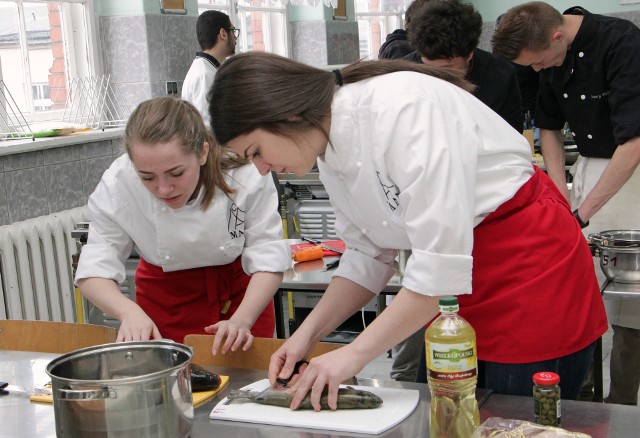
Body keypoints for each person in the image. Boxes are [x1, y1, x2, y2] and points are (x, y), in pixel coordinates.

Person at [208, 52, 607, 410]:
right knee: (446, 413)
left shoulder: (402, 109)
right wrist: (306, 337)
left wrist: (353, 355)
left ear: (287, 114)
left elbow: (436, 272)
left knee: (513, 418)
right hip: (452, 294)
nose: (261, 169)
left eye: (256, 152)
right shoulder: (326, 146)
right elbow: (367, 256)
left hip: (529, 267)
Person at [492, 2, 640, 405]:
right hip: (589, 170)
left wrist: (584, 212)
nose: (538, 71)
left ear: (558, 35)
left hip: (632, 171)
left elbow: (634, 142)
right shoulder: (547, 53)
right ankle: (581, 397)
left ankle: (622, 400)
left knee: (629, 303)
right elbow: (549, 126)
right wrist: (559, 193)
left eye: (540, 63)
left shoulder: (620, 42)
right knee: (579, 290)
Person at [75, 97, 289, 352]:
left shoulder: (244, 175)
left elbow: (268, 255)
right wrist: (128, 312)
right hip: (164, 301)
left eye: (176, 173)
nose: (163, 189)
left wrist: (242, 320)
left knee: (249, 387)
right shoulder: (118, 183)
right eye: (147, 177)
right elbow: (94, 270)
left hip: (241, 300)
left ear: (202, 153)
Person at [407, 0, 523, 134]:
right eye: (428, 67)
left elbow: (510, 138)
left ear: (469, 54)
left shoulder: (500, 75)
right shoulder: (402, 75)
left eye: (447, 68)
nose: (437, 75)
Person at [182, 10, 239, 128]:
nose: (235, 37)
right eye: (233, 31)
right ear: (223, 34)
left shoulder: (209, 69)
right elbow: (209, 127)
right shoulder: (204, 74)